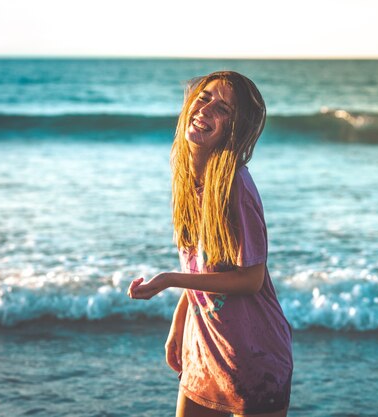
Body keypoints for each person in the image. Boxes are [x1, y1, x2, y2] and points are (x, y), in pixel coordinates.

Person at [127, 71, 293, 417]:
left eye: (224, 109)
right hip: (205, 347)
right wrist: (180, 322)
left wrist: (169, 280)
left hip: (252, 355)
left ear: (235, 129)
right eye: (204, 98)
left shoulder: (236, 185)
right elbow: (199, 266)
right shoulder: (189, 181)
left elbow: (251, 279)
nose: (206, 109)